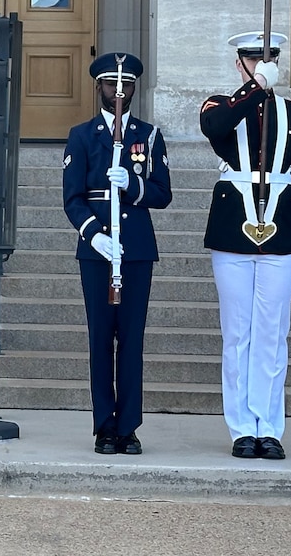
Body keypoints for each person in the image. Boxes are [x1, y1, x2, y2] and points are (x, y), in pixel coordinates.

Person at [200, 31, 291, 461]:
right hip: (233, 231)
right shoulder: (220, 105)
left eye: (268, 59)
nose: (261, 64)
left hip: (281, 230)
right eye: (253, 59)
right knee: (238, 333)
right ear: (240, 64)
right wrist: (256, 88)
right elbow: (215, 127)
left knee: (272, 333)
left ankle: (268, 427)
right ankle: (240, 429)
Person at [62, 52, 171, 455]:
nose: (119, 92)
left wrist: (133, 185)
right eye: (112, 85)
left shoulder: (150, 135)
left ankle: (129, 426)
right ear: (99, 88)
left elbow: (162, 193)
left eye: (125, 85)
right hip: (97, 252)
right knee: (99, 338)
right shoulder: (82, 135)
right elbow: (72, 198)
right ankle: (104, 426)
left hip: (137, 250)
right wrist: (94, 235)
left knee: (131, 339)